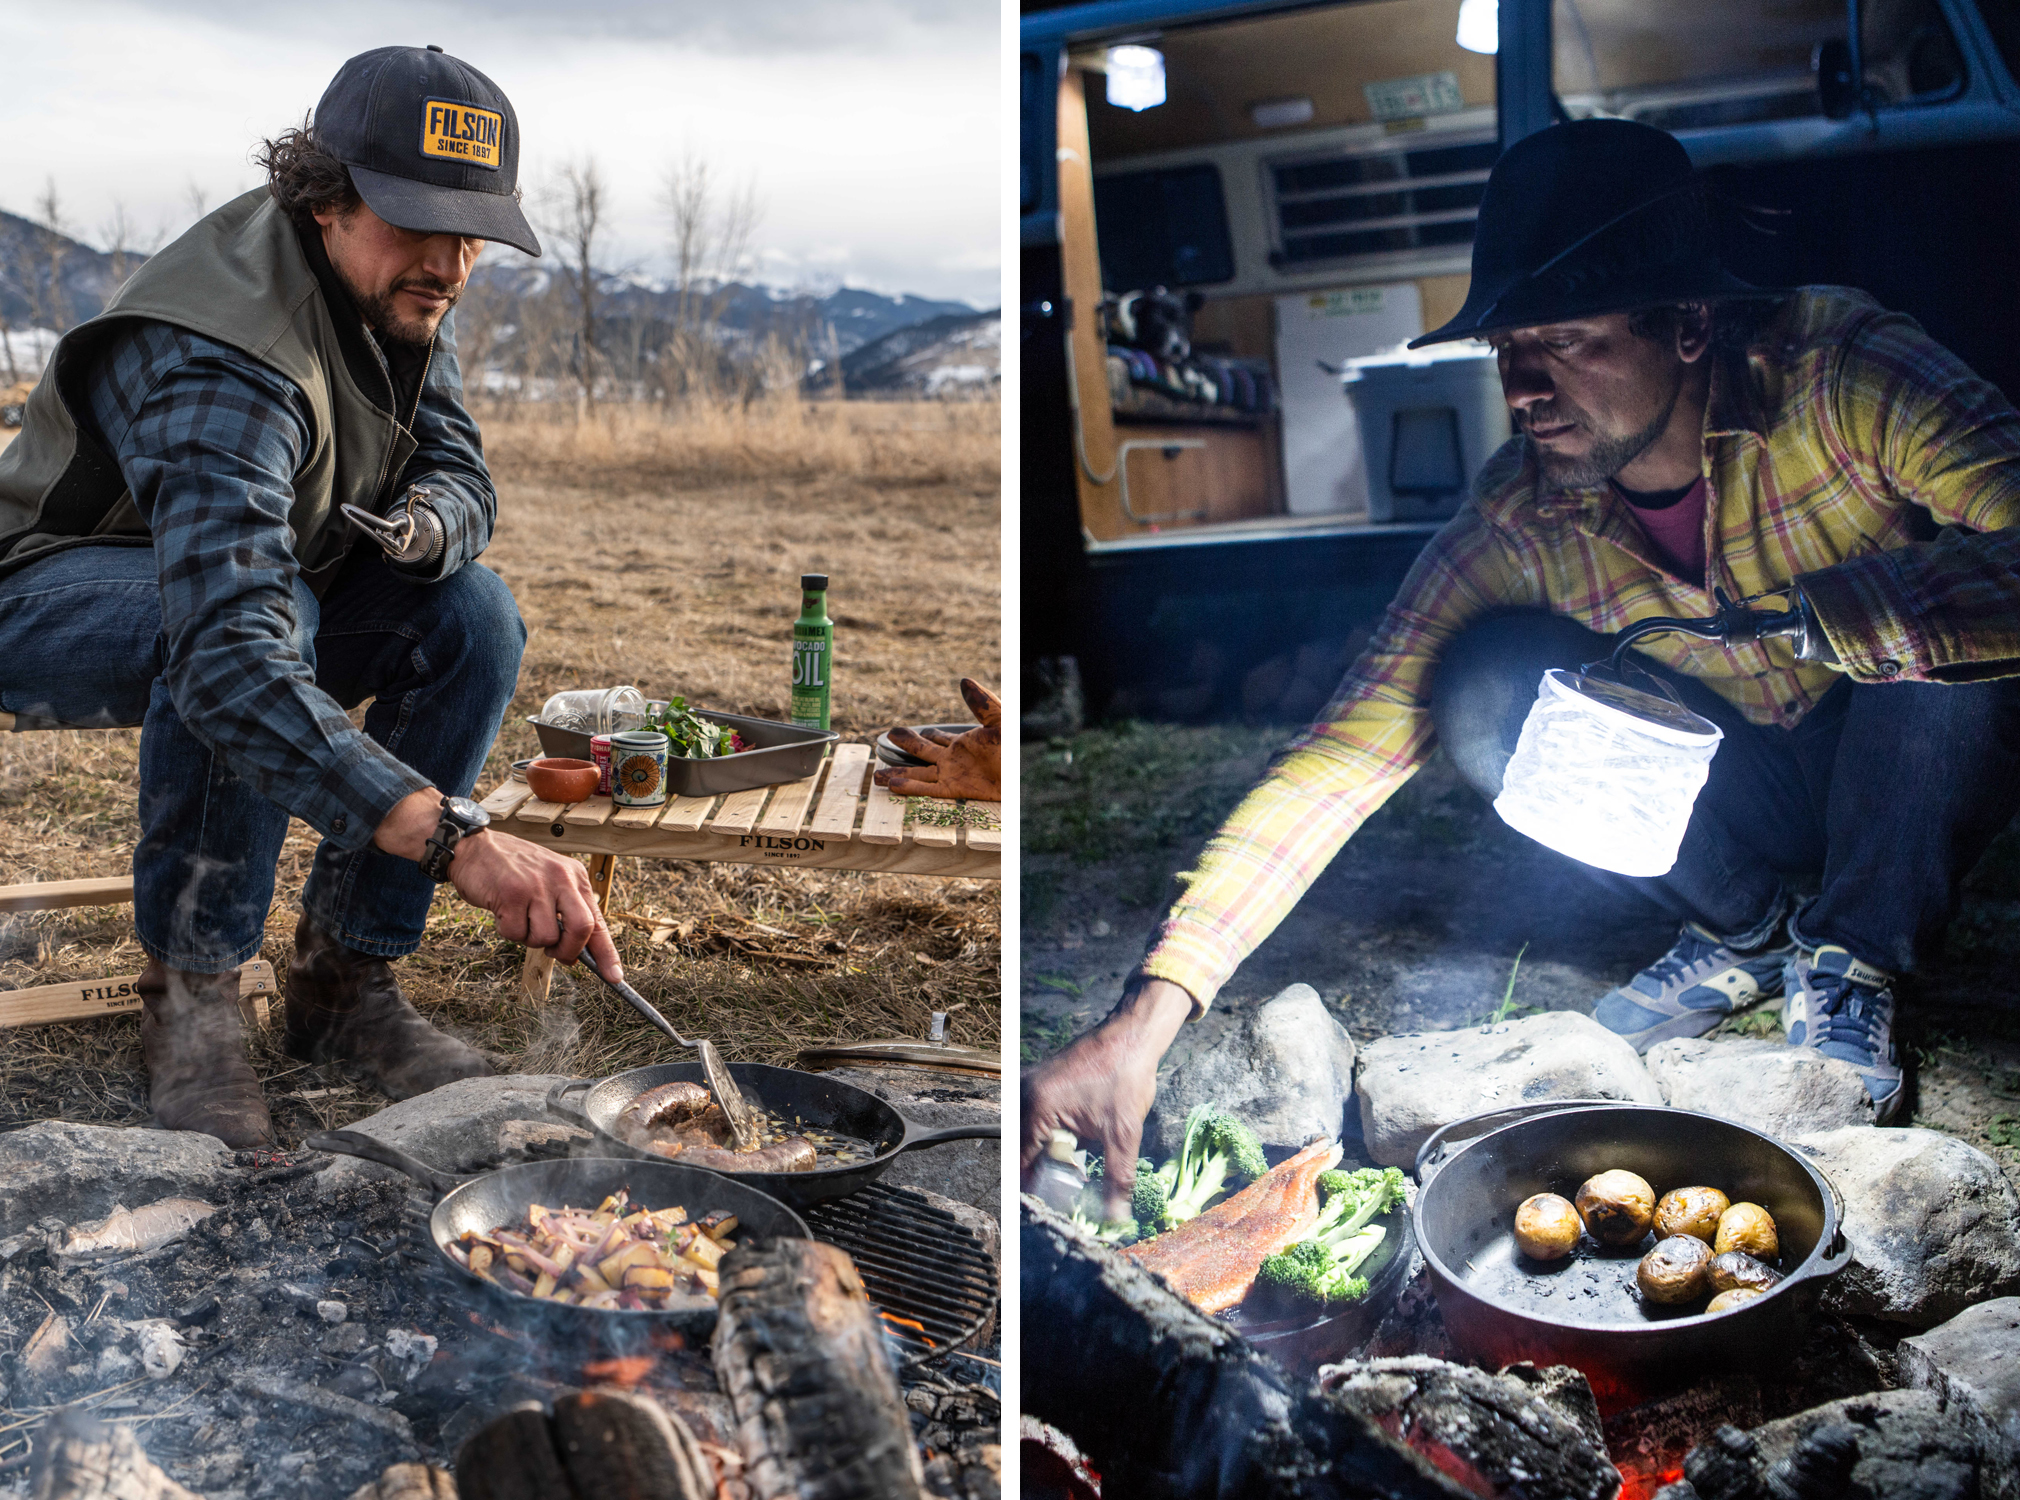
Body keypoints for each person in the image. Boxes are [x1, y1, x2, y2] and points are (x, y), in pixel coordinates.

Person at [1024, 118, 2020, 1209]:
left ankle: (1852, 953)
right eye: (1508, 352)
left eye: (1569, 341)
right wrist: (1143, 1017)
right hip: (1732, 781)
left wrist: (1841, 613)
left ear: (1688, 323)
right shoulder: (1520, 512)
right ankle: (1746, 928)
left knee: (1947, 643)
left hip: (1896, 768)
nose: (1527, 387)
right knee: (1486, 682)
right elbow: (1335, 761)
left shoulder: (1838, 377)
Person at [0, 46, 623, 1148]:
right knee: (250, 631)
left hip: (249, 585)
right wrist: (455, 839)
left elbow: (466, 474)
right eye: (419, 220)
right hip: (44, 586)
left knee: (470, 613)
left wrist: (426, 526)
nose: (451, 261)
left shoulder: (394, 290)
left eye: (471, 227)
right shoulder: (224, 355)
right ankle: (192, 997)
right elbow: (232, 653)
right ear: (326, 197)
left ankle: (342, 982)